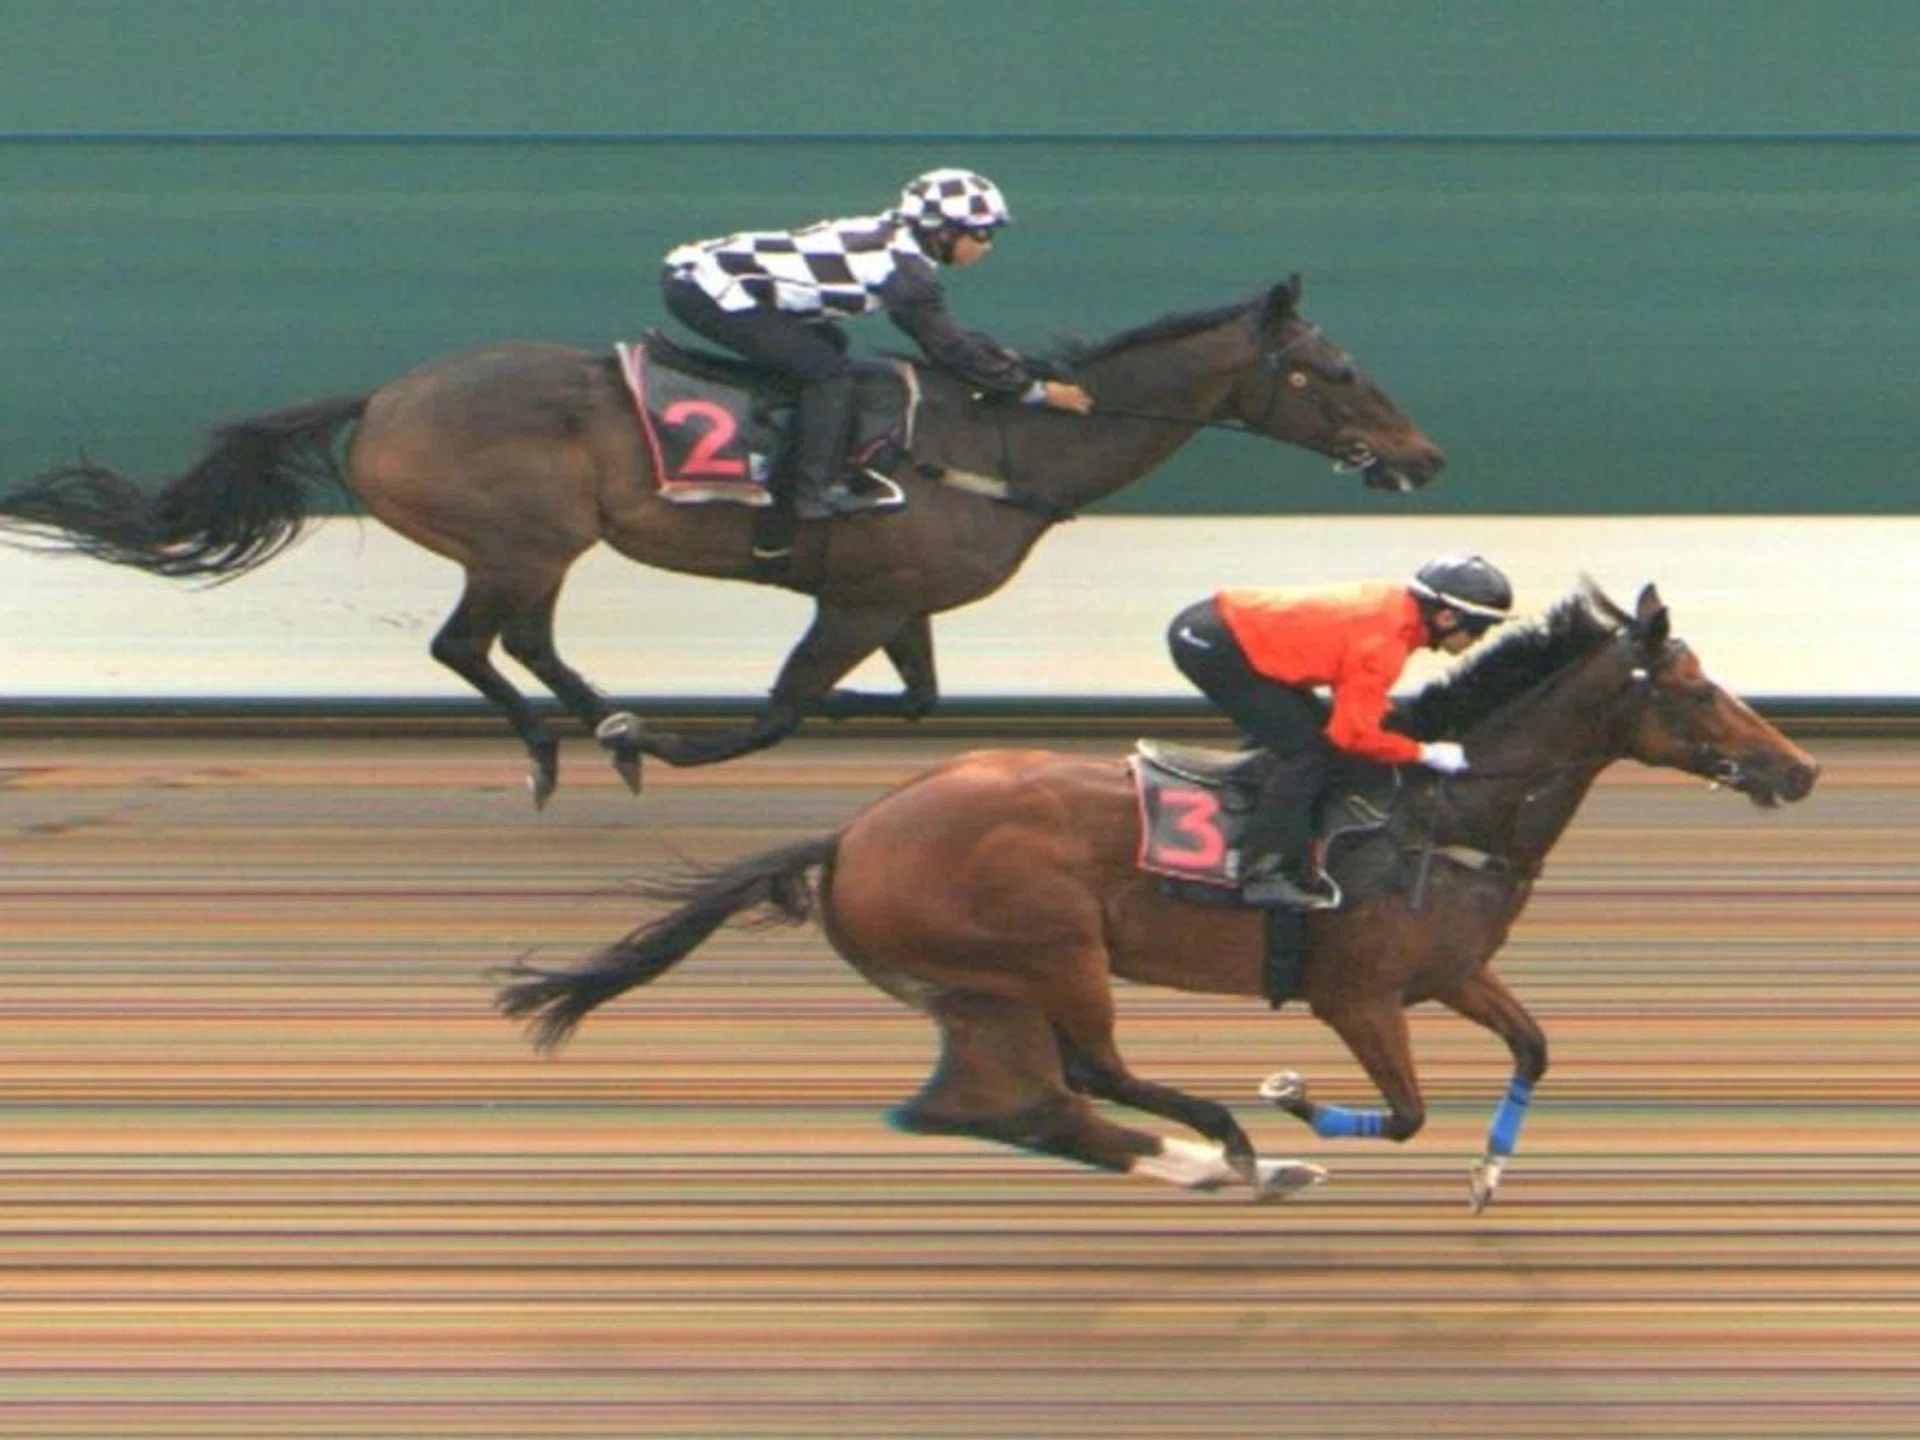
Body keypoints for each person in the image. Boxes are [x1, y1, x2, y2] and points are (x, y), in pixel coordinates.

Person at [659, 168, 1094, 520]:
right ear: (941, 232)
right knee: (830, 375)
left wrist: (1020, 363)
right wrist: (1032, 391)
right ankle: (813, 494)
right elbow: (948, 348)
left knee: (830, 341)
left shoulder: (898, 245)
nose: (987, 247)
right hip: (703, 287)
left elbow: (952, 338)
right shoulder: (904, 273)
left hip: (708, 275)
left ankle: (773, 439)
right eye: (981, 234)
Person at [1166, 555, 1515, 909]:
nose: (1478, 640)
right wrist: (1424, 753)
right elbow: (1352, 736)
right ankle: (1263, 872)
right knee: (1308, 753)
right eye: (1480, 629)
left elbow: (1352, 690)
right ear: (1447, 617)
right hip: (1214, 645)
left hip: (1221, 627)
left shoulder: (1396, 612)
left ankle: (1257, 806)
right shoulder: (1385, 642)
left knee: (1305, 734)